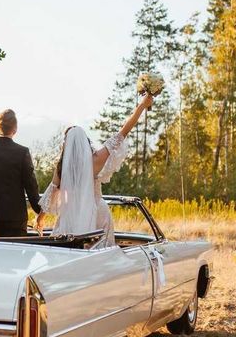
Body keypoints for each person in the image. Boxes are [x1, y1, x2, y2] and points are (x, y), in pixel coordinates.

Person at [36, 94, 154, 246]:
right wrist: (142, 106)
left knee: (70, 250)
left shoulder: (61, 167)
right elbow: (123, 132)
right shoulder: (96, 160)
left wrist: (40, 217)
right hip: (98, 213)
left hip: (71, 216)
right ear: (85, 142)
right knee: (101, 255)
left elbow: (50, 192)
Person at [0, 109, 45, 237]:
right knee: (14, 250)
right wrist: (40, 211)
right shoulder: (22, 152)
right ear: (15, 129)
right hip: (15, 218)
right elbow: (31, 186)